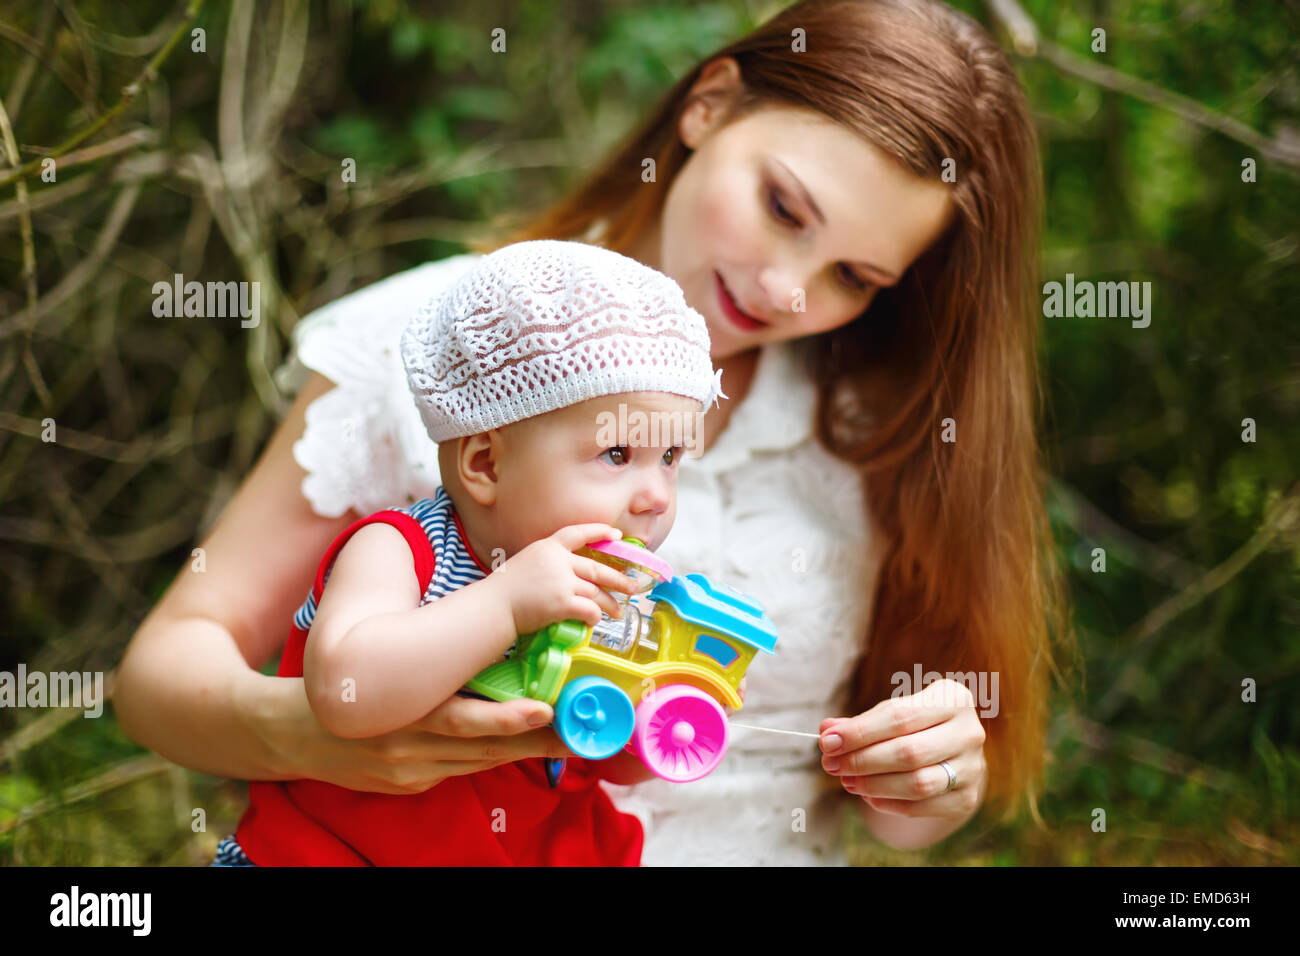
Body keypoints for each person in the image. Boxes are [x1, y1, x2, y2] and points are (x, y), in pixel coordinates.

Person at [116, 0, 1071, 866]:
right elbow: (161, 675)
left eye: (854, 277)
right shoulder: (431, 346)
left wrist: (937, 774)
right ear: (709, 104)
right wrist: (307, 730)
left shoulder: (890, 432)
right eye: (783, 208)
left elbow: (899, 817)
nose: (789, 289)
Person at [213, 240, 724, 865]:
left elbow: (590, 753)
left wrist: (650, 726)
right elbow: (345, 690)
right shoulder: (401, 550)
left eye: (669, 459)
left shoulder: (605, 590)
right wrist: (505, 604)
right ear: (485, 463)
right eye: (617, 455)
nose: (653, 496)